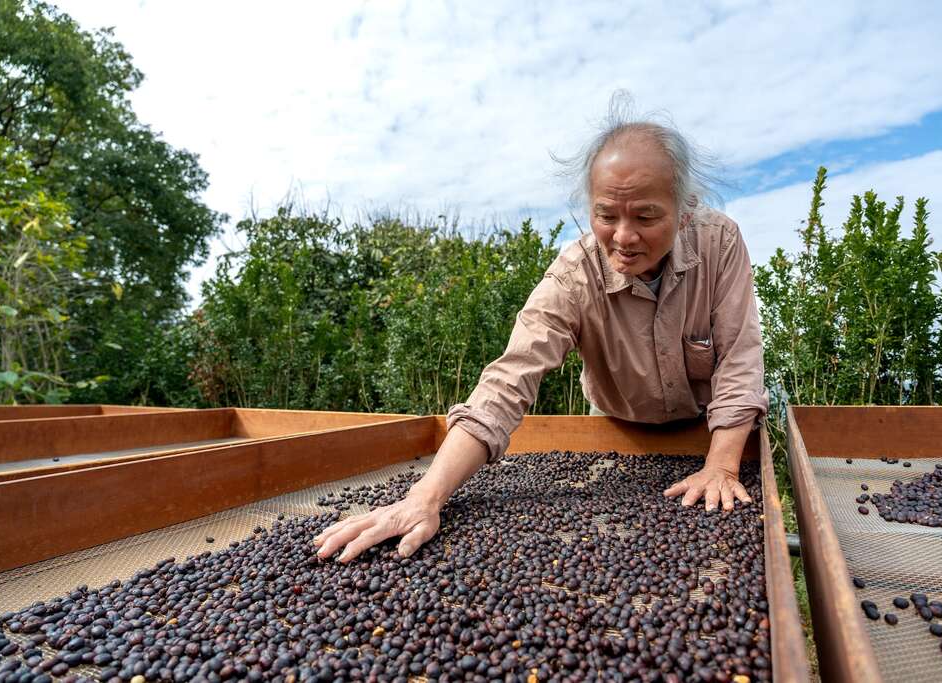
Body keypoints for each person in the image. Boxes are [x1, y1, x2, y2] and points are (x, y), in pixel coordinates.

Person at [314, 95, 769, 563]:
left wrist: (719, 466)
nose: (624, 237)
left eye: (647, 217)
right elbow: (509, 380)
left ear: (685, 210)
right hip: (618, 435)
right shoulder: (574, 276)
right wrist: (424, 498)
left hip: (712, 435)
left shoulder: (720, 243)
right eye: (606, 216)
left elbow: (739, 357)